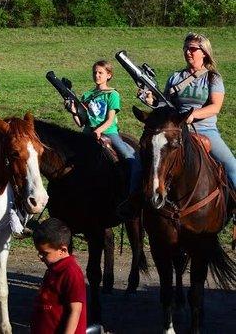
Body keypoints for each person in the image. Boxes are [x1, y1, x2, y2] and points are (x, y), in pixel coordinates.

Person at [145, 32, 236, 192]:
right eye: (186, 48)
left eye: (192, 49)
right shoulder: (175, 77)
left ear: (204, 53)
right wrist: (151, 101)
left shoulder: (213, 78)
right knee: (149, 161)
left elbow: (215, 107)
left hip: (206, 130)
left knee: (232, 167)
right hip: (176, 130)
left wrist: (193, 115)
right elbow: (166, 106)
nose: (188, 52)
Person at [67, 60, 142, 216]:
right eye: (95, 72)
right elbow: (82, 122)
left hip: (109, 132)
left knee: (131, 159)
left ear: (109, 75)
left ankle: (132, 195)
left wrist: (99, 131)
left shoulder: (113, 94)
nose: (97, 75)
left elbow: (109, 119)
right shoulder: (87, 95)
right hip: (88, 133)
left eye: (100, 73)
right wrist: (74, 111)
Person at [31, 218, 86, 334]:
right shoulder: (53, 269)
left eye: (44, 253)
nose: (40, 256)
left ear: (62, 250)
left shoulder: (71, 272)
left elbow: (75, 311)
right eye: (39, 252)